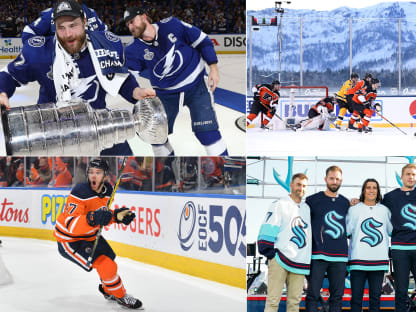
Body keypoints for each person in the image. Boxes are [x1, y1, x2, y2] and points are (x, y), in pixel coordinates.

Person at [0, 0, 155, 155]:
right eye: (61, 27)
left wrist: (135, 91)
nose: (68, 34)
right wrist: (2, 92)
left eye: (73, 25)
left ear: (84, 22)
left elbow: (119, 78)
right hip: (52, 132)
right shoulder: (40, 53)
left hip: (99, 125)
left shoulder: (106, 45)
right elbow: (9, 74)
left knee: (125, 166)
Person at [123, 7, 227, 156]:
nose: (131, 27)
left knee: (207, 134)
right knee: (156, 136)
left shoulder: (172, 25)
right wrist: (136, 91)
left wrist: (213, 67)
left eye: (132, 21)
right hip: (165, 94)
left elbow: (202, 41)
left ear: (144, 17)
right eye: (128, 25)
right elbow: (129, 78)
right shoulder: (133, 49)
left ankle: (225, 171)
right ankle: (169, 174)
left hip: (196, 85)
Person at [53, 158, 142, 309]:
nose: (93, 176)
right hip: (70, 240)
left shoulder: (107, 190)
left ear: (106, 175)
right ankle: (121, 296)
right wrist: (92, 219)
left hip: (90, 235)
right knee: (107, 266)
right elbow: (69, 223)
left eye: (98, 173)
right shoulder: (79, 192)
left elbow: (102, 215)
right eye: (91, 172)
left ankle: (108, 290)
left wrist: (117, 217)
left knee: (110, 257)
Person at [257, 173, 311, 312]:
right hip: (280, 259)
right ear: (291, 185)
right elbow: (268, 228)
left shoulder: (307, 208)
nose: (301, 188)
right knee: (273, 301)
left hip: (299, 262)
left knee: (294, 304)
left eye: (304, 186)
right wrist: (271, 254)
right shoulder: (280, 204)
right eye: (298, 184)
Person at [305, 166, 350, 312]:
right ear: (326, 179)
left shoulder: (346, 203)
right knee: (312, 295)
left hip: (340, 257)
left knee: (337, 297)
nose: (334, 181)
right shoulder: (312, 200)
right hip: (318, 255)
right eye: (331, 178)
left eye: (337, 179)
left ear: (341, 180)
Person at [346, 178, 392, 312]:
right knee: (356, 299)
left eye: (374, 187)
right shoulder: (354, 210)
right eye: (368, 187)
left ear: (378, 191)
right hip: (357, 260)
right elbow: (347, 231)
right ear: (363, 190)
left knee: (375, 299)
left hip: (378, 261)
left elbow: (391, 231)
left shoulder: (384, 210)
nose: (371, 190)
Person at [382, 163, 416, 312]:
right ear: (401, 177)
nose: (411, 177)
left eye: (414, 175)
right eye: (408, 174)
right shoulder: (390, 197)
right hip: (399, 248)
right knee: (401, 291)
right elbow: (374, 209)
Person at [21, 0, 107, 43]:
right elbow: (28, 32)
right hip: (60, 68)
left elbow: (105, 32)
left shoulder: (90, 13)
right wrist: (46, 48)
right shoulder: (51, 14)